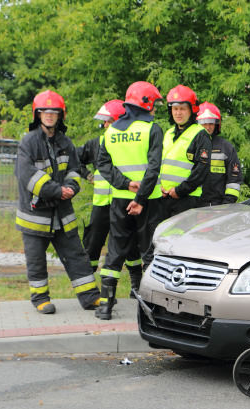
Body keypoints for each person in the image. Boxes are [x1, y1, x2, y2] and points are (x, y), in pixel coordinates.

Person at [14, 89, 100, 314]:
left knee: (76, 255)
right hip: (35, 216)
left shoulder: (65, 142)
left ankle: (90, 297)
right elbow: (26, 175)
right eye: (45, 112)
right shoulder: (29, 142)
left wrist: (71, 188)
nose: (50, 115)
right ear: (38, 114)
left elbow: (73, 169)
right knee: (36, 261)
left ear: (60, 115)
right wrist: (56, 191)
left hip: (62, 214)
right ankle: (40, 299)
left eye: (54, 112)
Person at [95, 81, 164, 320]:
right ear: (146, 103)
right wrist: (141, 198)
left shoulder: (111, 132)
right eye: (154, 104)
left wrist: (124, 184)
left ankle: (105, 306)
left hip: (119, 201)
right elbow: (153, 169)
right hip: (149, 202)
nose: (155, 109)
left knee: (115, 249)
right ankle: (149, 307)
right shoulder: (152, 129)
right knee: (149, 253)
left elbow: (102, 164)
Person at [78, 100, 144, 294]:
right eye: (104, 122)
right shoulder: (95, 144)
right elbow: (75, 159)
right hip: (101, 205)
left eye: (108, 121)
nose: (104, 125)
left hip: (123, 201)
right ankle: (88, 289)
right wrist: (88, 176)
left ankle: (136, 286)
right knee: (92, 245)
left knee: (131, 246)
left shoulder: (130, 142)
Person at [159, 85, 213, 218]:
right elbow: (160, 164)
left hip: (187, 199)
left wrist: (180, 191)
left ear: (191, 110)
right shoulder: (168, 133)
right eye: (175, 109)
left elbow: (201, 170)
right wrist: (159, 186)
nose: (178, 113)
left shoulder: (200, 135)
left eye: (182, 109)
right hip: (164, 197)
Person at [196, 102, 243, 205]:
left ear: (217, 124)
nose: (207, 127)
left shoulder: (226, 147)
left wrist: (225, 205)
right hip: (192, 205)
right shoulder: (190, 145)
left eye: (211, 123)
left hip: (217, 206)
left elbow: (234, 181)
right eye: (204, 123)